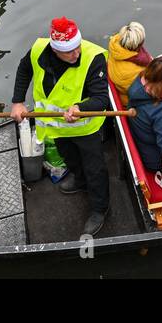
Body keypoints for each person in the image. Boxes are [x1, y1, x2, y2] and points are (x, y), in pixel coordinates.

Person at [10, 17, 112, 236]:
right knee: (70, 158)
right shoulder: (38, 50)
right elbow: (24, 69)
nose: (76, 54)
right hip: (58, 127)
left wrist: (80, 108)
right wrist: (18, 101)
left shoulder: (93, 58)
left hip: (85, 129)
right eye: (69, 51)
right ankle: (79, 179)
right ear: (55, 49)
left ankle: (99, 209)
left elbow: (102, 98)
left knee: (95, 169)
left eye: (77, 47)